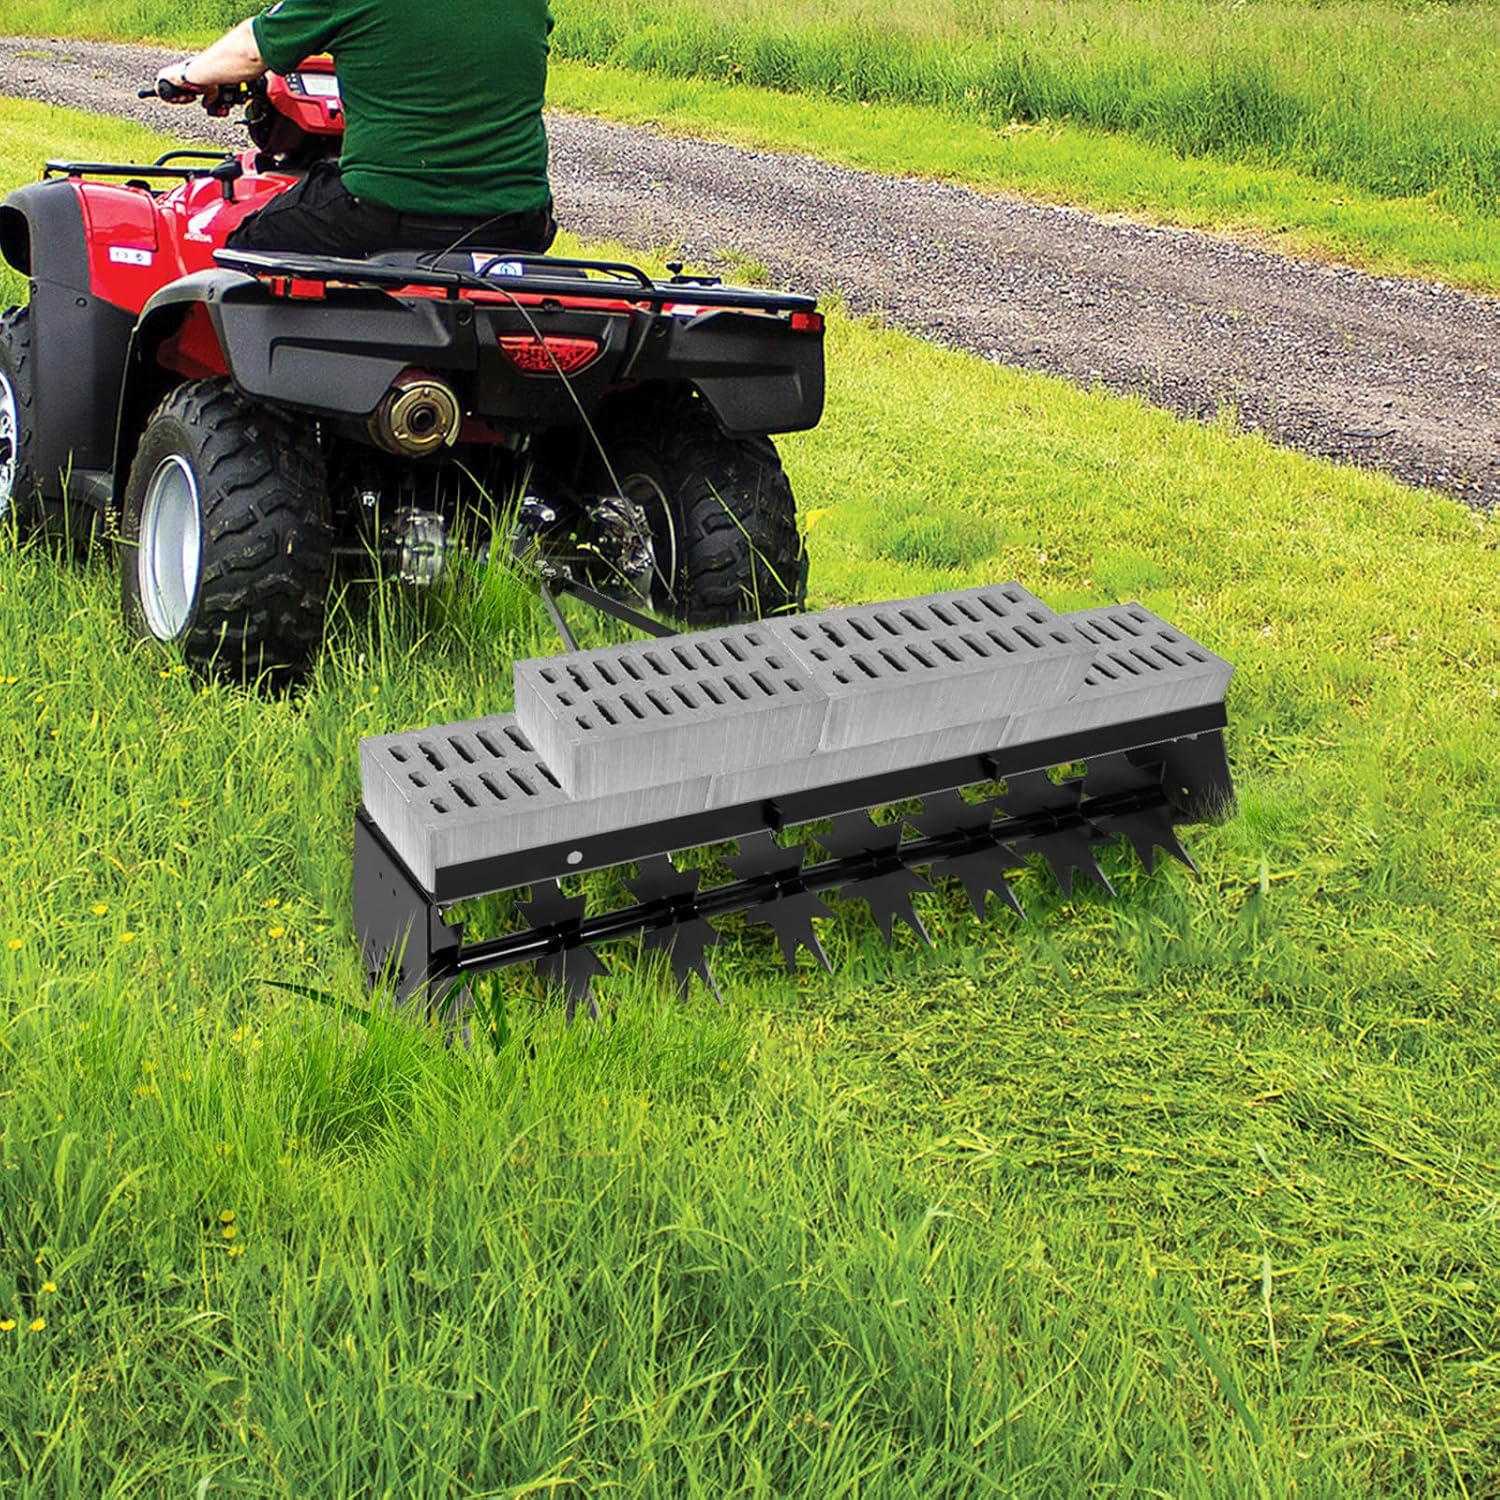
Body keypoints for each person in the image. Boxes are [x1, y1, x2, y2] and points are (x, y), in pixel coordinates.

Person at [156, 0, 557, 259]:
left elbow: (251, 49)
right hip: (518, 222)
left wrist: (186, 75)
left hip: (387, 209)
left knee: (242, 252)